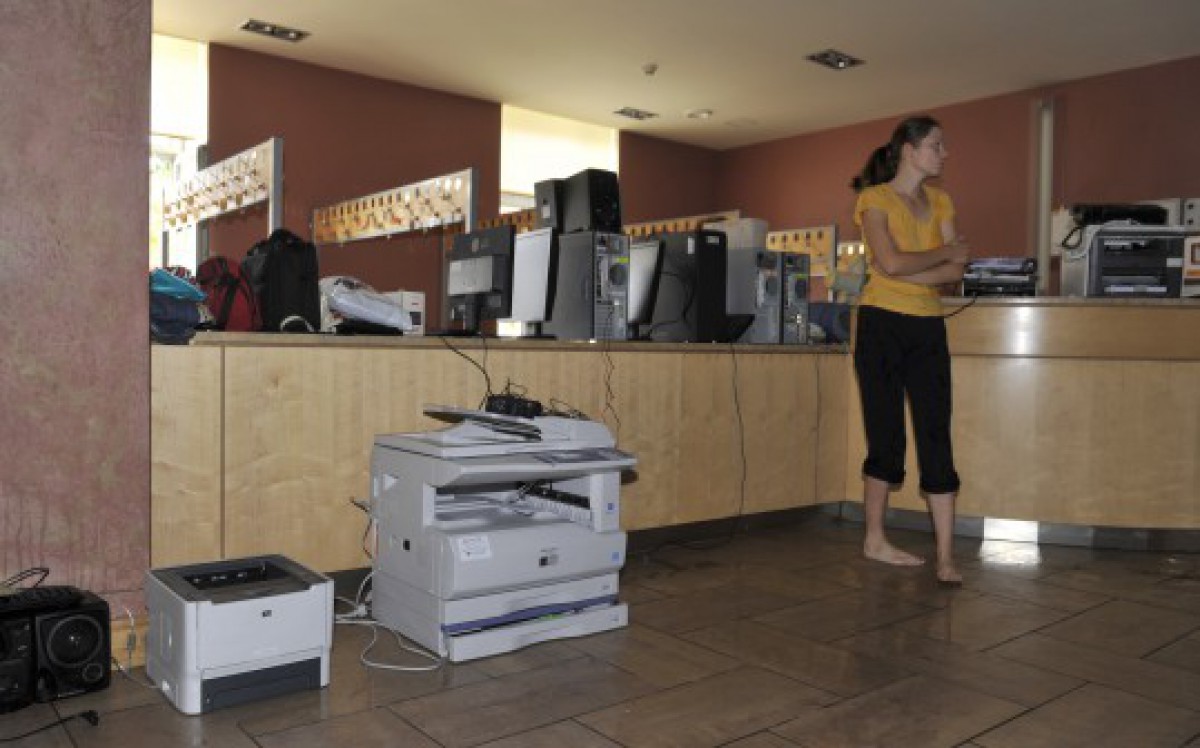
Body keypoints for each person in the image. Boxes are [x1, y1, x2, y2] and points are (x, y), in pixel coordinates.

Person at [850, 115, 969, 586]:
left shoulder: (942, 201)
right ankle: (874, 539)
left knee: (936, 433)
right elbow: (892, 261)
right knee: (886, 436)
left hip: (928, 328)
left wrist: (907, 267)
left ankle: (946, 557)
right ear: (909, 149)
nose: (945, 153)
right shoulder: (874, 199)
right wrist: (941, 255)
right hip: (881, 324)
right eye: (937, 145)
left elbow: (954, 273)